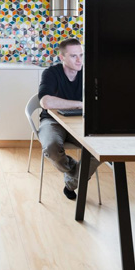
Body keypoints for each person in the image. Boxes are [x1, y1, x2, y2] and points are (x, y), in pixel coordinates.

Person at [37, 38, 100, 200]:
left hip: (80, 121)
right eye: (73, 56)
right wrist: (80, 104)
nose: (79, 60)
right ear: (62, 57)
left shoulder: (89, 72)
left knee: (99, 149)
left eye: (81, 55)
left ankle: (71, 182)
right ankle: (74, 170)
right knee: (51, 147)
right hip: (52, 121)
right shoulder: (51, 73)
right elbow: (46, 102)